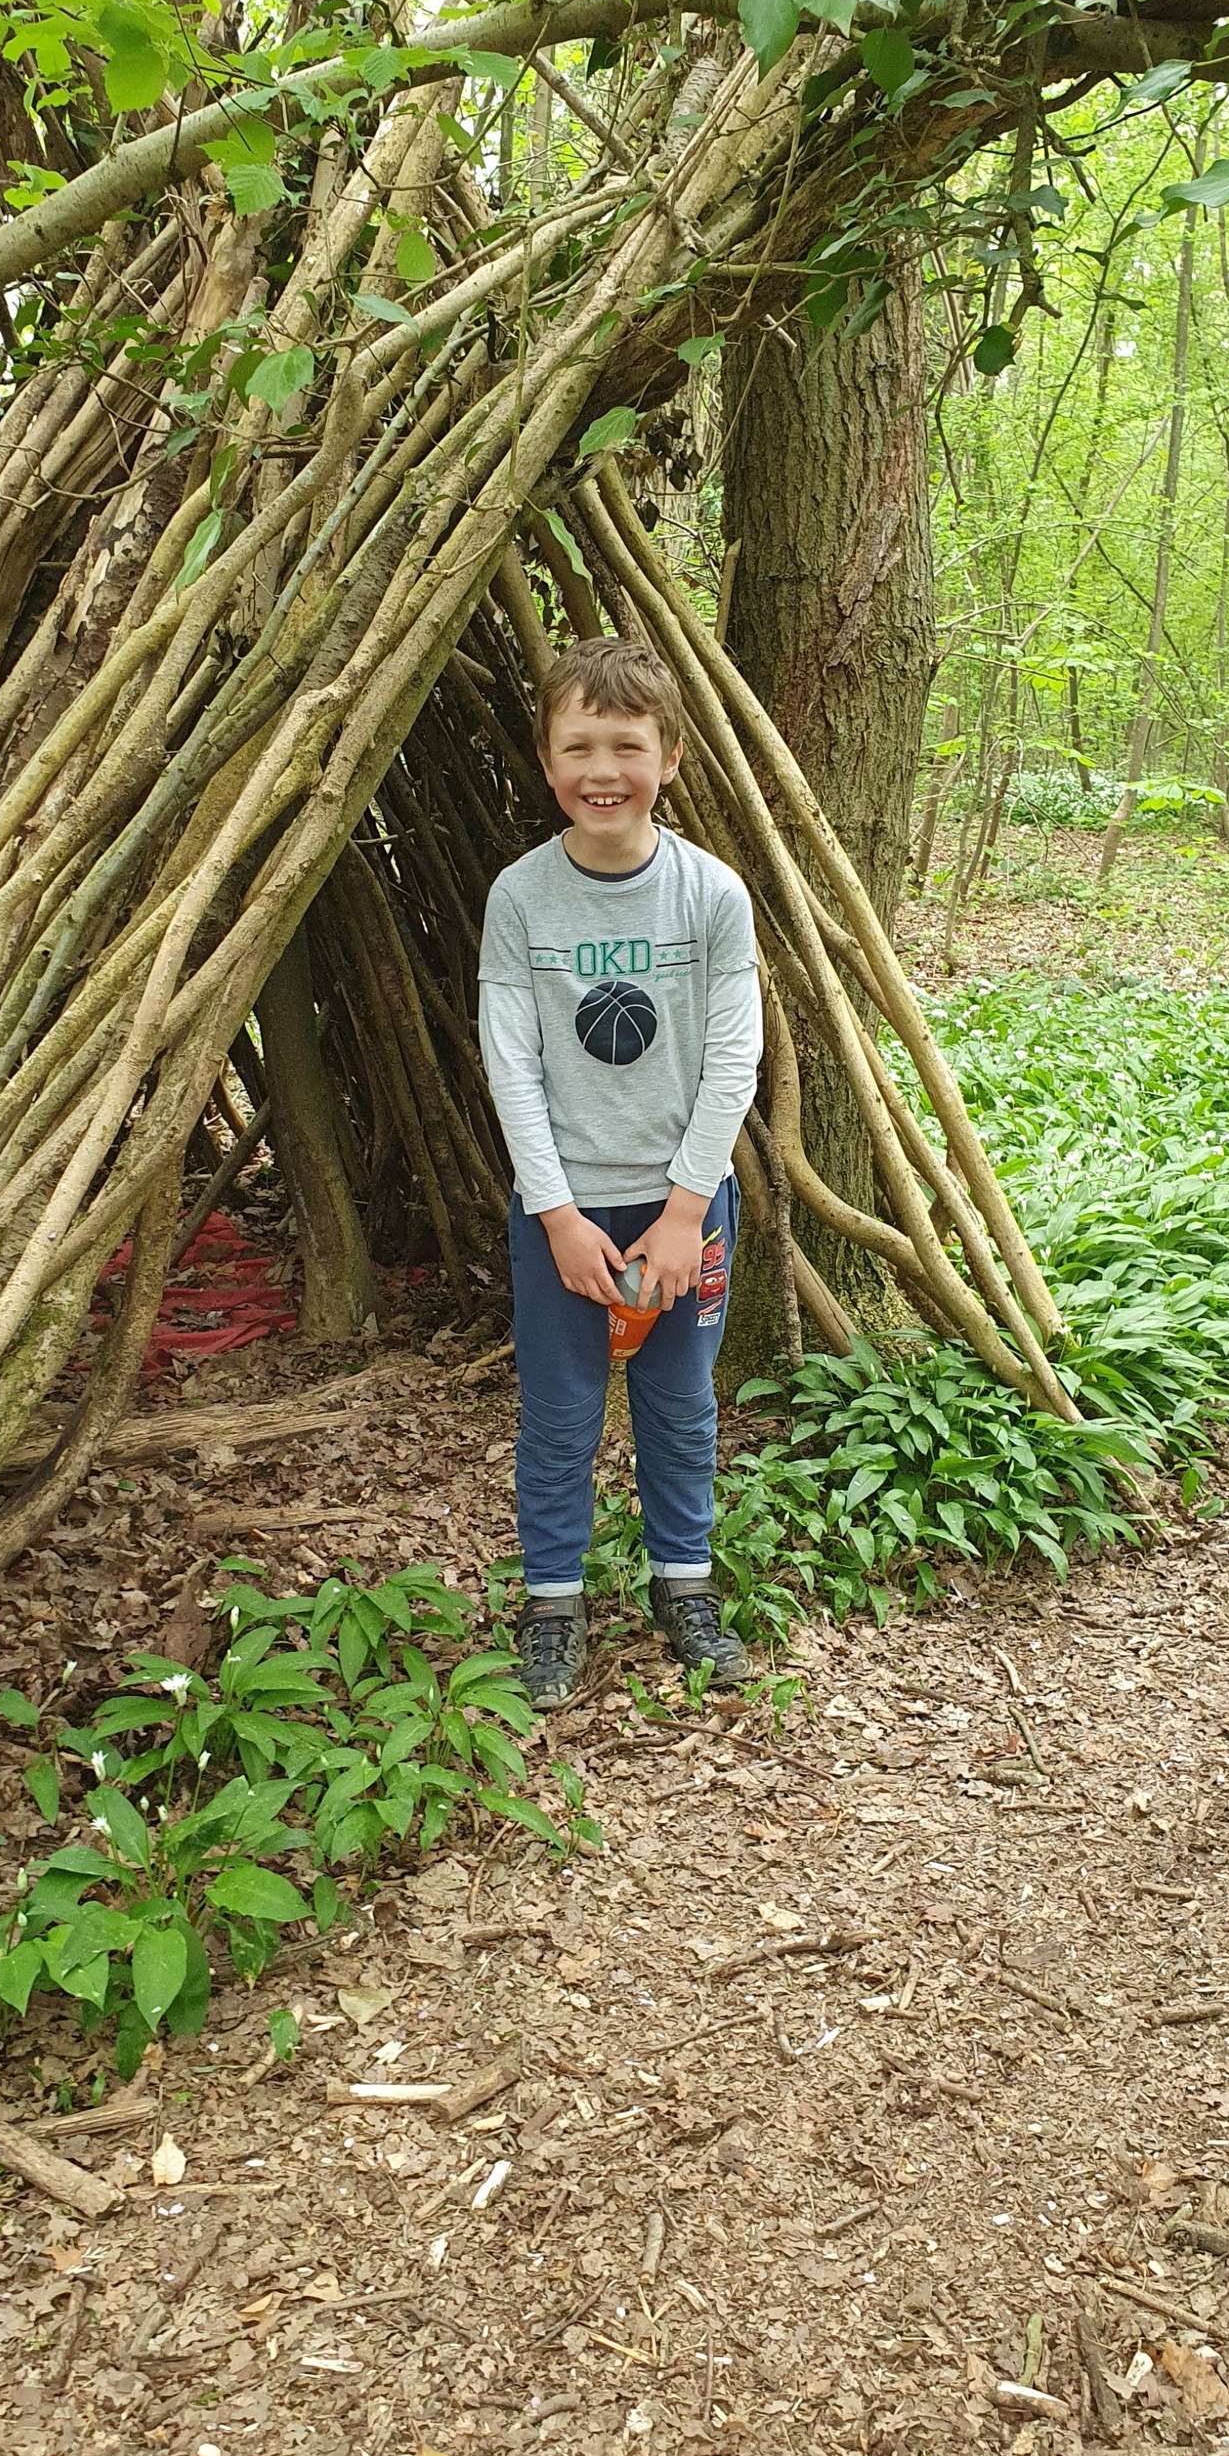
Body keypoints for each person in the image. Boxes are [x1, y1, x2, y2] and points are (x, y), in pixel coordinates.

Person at [477, 636, 763, 1708]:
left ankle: (682, 1583)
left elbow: (733, 1056)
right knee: (559, 1411)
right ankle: (553, 1601)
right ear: (546, 760)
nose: (603, 770)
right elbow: (510, 1059)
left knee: (679, 1402)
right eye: (579, 746)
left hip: (684, 1203)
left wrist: (686, 1210)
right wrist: (555, 1212)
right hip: (563, 1208)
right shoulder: (521, 897)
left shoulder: (709, 894)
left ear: (671, 756)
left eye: (627, 745)